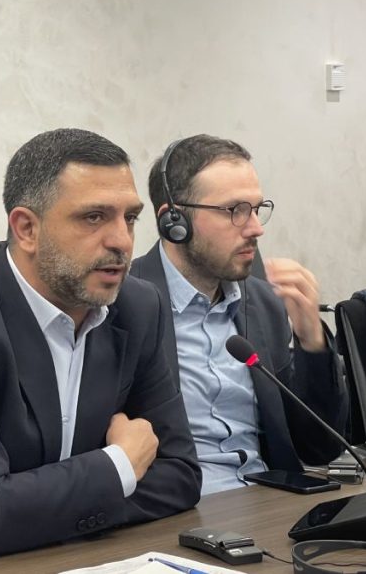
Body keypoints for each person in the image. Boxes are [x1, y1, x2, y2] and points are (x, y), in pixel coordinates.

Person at [0, 129, 201, 560]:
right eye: (94, 217)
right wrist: (120, 464)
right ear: (26, 228)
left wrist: (34, 513)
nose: (122, 240)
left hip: (75, 557)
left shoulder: (137, 307)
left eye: (130, 218)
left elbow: (180, 476)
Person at [129, 134, 347, 495]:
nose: (256, 228)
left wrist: (311, 341)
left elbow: (319, 448)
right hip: (176, 509)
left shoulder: (263, 303)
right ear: (173, 220)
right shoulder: (123, 305)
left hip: (268, 500)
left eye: (257, 209)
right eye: (234, 210)